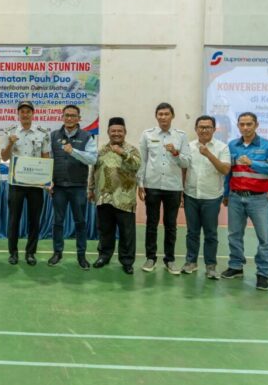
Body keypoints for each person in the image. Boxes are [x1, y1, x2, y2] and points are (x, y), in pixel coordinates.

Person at [222, 112, 268, 291]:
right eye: (242, 124)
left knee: (265, 238)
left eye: (249, 124)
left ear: (256, 125)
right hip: (235, 197)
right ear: (238, 126)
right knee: (234, 234)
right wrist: (226, 194)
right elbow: (229, 173)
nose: (245, 127)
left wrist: (253, 163)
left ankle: (263, 274)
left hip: (259, 200)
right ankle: (236, 266)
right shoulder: (232, 146)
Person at [137, 102, 190, 274]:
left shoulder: (181, 136)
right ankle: (150, 258)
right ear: (156, 116)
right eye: (160, 114)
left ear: (172, 116)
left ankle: (170, 260)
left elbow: (186, 162)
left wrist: (175, 152)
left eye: (166, 114)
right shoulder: (147, 134)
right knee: (151, 223)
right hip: (152, 185)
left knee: (171, 225)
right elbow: (142, 161)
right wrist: (140, 183)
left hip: (173, 187)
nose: (163, 117)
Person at [1, 100, 51, 266]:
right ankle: (13, 253)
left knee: (34, 220)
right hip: (16, 183)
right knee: (14, 219)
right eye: (22, 111)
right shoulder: (10, 132)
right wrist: (10, 143)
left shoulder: (43, 133)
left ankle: (30, 253)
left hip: (35, 184)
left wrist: (47, 180)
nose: (25, 114)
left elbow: (45, 157)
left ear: (32, 113)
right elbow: (4, 157)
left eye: (28, 111)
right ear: (18, 114)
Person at [89, 117, 141, 274]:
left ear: (125, 132)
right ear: (108, 132)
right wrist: (91, 189)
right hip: (104, 197)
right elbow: (94, 171)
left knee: (127, 233)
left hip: (125, 198)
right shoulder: (101, 150)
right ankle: (104, 256)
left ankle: (127, 261)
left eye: (120, 131)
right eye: (113, 131)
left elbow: (137, 165)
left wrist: (123, 153)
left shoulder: (132, 150)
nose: (116, 133)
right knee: (105, 230)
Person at [48, 105, 97, 269]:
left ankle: (81, 256)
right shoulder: (53, 136)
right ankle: (57, 253)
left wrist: (73, 151)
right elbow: (48, 160)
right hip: (59, 187)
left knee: (80, 222)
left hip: (78, 187)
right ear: (62, 117)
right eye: (67, 115)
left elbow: (92, 159)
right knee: (58, 222)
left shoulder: (87, 136)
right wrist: (48, 181)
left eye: (73, 116)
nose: (69, 118)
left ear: (78, 118)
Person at [182, 115, 231, 279]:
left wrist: (208, 154)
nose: (204, 130)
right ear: (196, 129)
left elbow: (225, 170)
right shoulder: (188, 147)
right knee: (192, 232)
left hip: (211, 197)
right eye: (201, 127)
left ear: (214, 129)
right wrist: (181, 192)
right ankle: (191, 262)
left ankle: (211, 266)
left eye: (208, 127)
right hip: (191, 195)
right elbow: (184, 170)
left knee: (210, 233)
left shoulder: (222, 147)